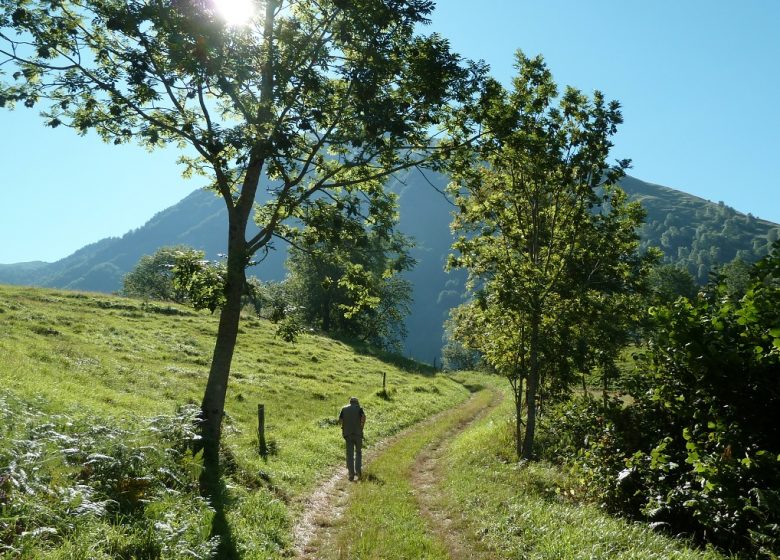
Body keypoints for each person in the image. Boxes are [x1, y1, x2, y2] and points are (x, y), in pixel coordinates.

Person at [338, 396, 366, 481]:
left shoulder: (344, 409)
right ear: (356, 402)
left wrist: (343, 427)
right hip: (358, 434)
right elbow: (364, 417)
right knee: (358, 452)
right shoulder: (359, 409)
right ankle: (358, 471)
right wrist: (361, 426)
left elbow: (340, 420)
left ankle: (351, 474)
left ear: (350, 402)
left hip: (348, 434)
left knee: (349, 454)